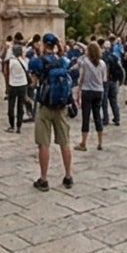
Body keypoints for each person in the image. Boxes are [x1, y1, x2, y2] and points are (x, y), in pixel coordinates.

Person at [28, 32, 77, 190]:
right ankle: (68, 176)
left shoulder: (37, 62)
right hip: (61, 106)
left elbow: (33, 83)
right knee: (65, 142)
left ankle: (43, 179)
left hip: (45, 106)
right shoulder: (63, 60)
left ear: (43, 44)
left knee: (44, 143)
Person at [76, 39, 108, 151]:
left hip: (87, 90)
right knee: (97, 116)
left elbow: (82, 77)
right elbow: (104, 78)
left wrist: (78, 89)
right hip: (99, 91)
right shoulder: (102, 63)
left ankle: (83, 142)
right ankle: (100, 142)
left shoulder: (85, 62)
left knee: (86, 116)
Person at [6, 39, 32, 132]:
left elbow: (7, 73)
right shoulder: (25, 62)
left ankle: (11, 125)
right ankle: (19, 126)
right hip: (23, 85)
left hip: (13, 84)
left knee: (11, 106)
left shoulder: (11, 62)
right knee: (20, 106)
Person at [103, 38, 124, 126]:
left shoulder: (103, 57)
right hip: (114, 80)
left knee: (104, 101)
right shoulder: (115, 56)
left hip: (106, 80)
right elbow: (120, 69)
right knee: (114, 100)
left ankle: (106, 119)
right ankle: (117, 118)